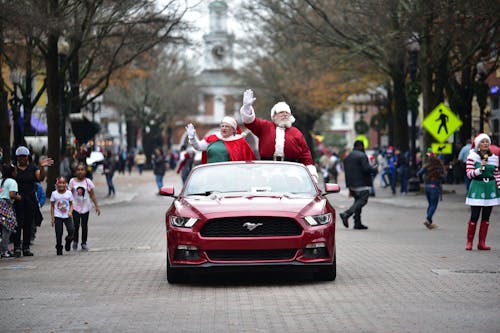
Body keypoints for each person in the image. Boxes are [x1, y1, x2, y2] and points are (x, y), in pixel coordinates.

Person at [239, 89, 319, 182]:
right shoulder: (265, 127)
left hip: (291, 172)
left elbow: (305, 154)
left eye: (287, 113)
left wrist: (312, 175)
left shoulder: (296, 132)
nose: (285, 115)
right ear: (273, 116)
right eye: (281, 112)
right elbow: (250, 122)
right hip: (267, 170)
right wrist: (247, 108)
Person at [13, 146, 53, 257]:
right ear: (16, 157)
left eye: (24, 156)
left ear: (28, 157)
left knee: (28, 224)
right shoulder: (14, 169)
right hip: (18, 200)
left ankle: (26, 247)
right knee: (17, 224)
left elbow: (40, 178)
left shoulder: (32, 168)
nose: (22, 159)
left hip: (30, 200)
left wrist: (42, 167)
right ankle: (16, 247)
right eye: (19, 157)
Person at [464, 133, 500, 251]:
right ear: (478, 144)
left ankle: (482, 243)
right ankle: (469, 242)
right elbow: (469, 174)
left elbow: (496, 174)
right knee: (474, 216)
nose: (485, 144)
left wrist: (499, 185)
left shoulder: (494, 158)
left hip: (490, 188)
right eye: (483, 142)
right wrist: (480, 169)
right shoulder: (473, 157)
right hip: (477, 186)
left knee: (486, 216)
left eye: (487, 142)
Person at [339, 140, 378, 230]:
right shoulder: (362, 156)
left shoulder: (348, 157)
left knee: (357, 201)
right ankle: (346, 214)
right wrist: (374, 168)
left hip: (351, 184)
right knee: (362, 200)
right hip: (361, 183)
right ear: (361, 146)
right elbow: (366, 169)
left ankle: (357, 223)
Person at [185, 116, 256, 163]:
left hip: (230, 174)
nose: (224, 128)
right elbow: (198, 146)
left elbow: (248, 159)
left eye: (227, 126)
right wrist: (192, 138)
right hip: (211, 172)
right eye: (222, 126)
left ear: (233, 130)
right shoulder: (213, 137)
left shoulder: (239, 141)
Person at [69, 163, 101, 251]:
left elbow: (92, 195)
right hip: (75, 207)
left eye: (82, 170)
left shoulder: (88, 182)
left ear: (85, 171)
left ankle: (84, 243)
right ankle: (75, 242)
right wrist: (68, 206)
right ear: (75, 172)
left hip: (85, 207)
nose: (80, 171)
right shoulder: (72, 181)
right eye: (78, 170)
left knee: (84, 225)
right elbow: (69, 194)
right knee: (75, 225)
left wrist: (97, 206)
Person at [417, 153, 445, 229]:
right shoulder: (439, 167)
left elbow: (419, 173)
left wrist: (422, 181)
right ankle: (428, 219)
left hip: (427, 186)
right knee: (433, 205)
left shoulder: (426, 166)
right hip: (434, 187)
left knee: (430, 204)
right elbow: (444, 177)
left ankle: (429, 222)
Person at [0, 164, 22, 258]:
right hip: (5, 206)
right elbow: (12, 194)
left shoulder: (1, 181)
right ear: (12, 172)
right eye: (15, 171)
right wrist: (19, 197)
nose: (16, 173)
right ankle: (4, 251)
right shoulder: (12, 182)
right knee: (7, 228)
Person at [50, 177, 75, 255]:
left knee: (71, 230)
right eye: (60, 183)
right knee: (58, 233)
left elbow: (71, 205)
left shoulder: (69, 193)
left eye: (63, 183)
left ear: (66, 184)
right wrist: (53, 218)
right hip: (58, 216)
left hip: (67, 216)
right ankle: (59, 248)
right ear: (57, 184)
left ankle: (68, 241)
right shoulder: (54, 194)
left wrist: (70, 212)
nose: (61, 184)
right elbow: (52, 206)